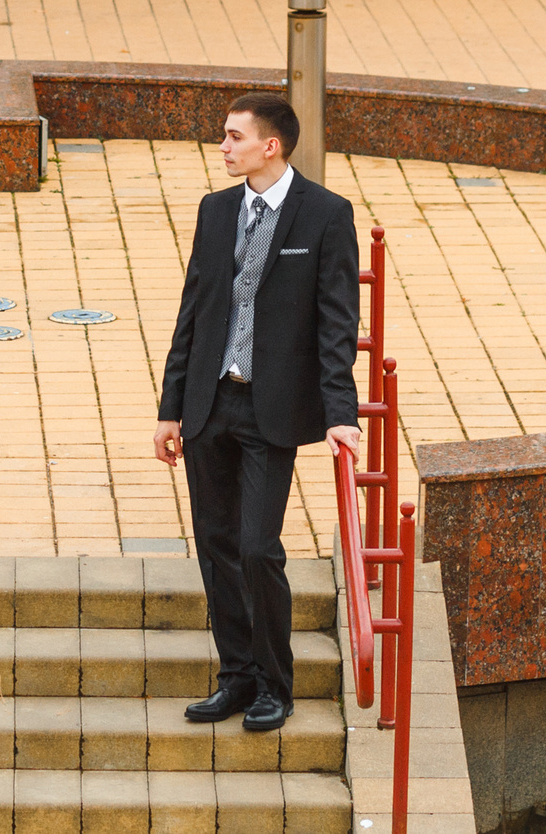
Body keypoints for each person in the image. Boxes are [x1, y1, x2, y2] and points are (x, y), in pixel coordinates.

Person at [152, 93, 361, 734]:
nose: (224, 146)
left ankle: (276, 682)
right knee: (215, 546)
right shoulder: (216, 212)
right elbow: (194, 311)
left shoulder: (325, 215)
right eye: (224, 136)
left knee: (257, 547)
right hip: (210, 404)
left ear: (271, 145)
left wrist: (340, 411)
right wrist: (170, 408)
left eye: (234, 137)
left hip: (271, 409)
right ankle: (236, 677)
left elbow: (337, 323)